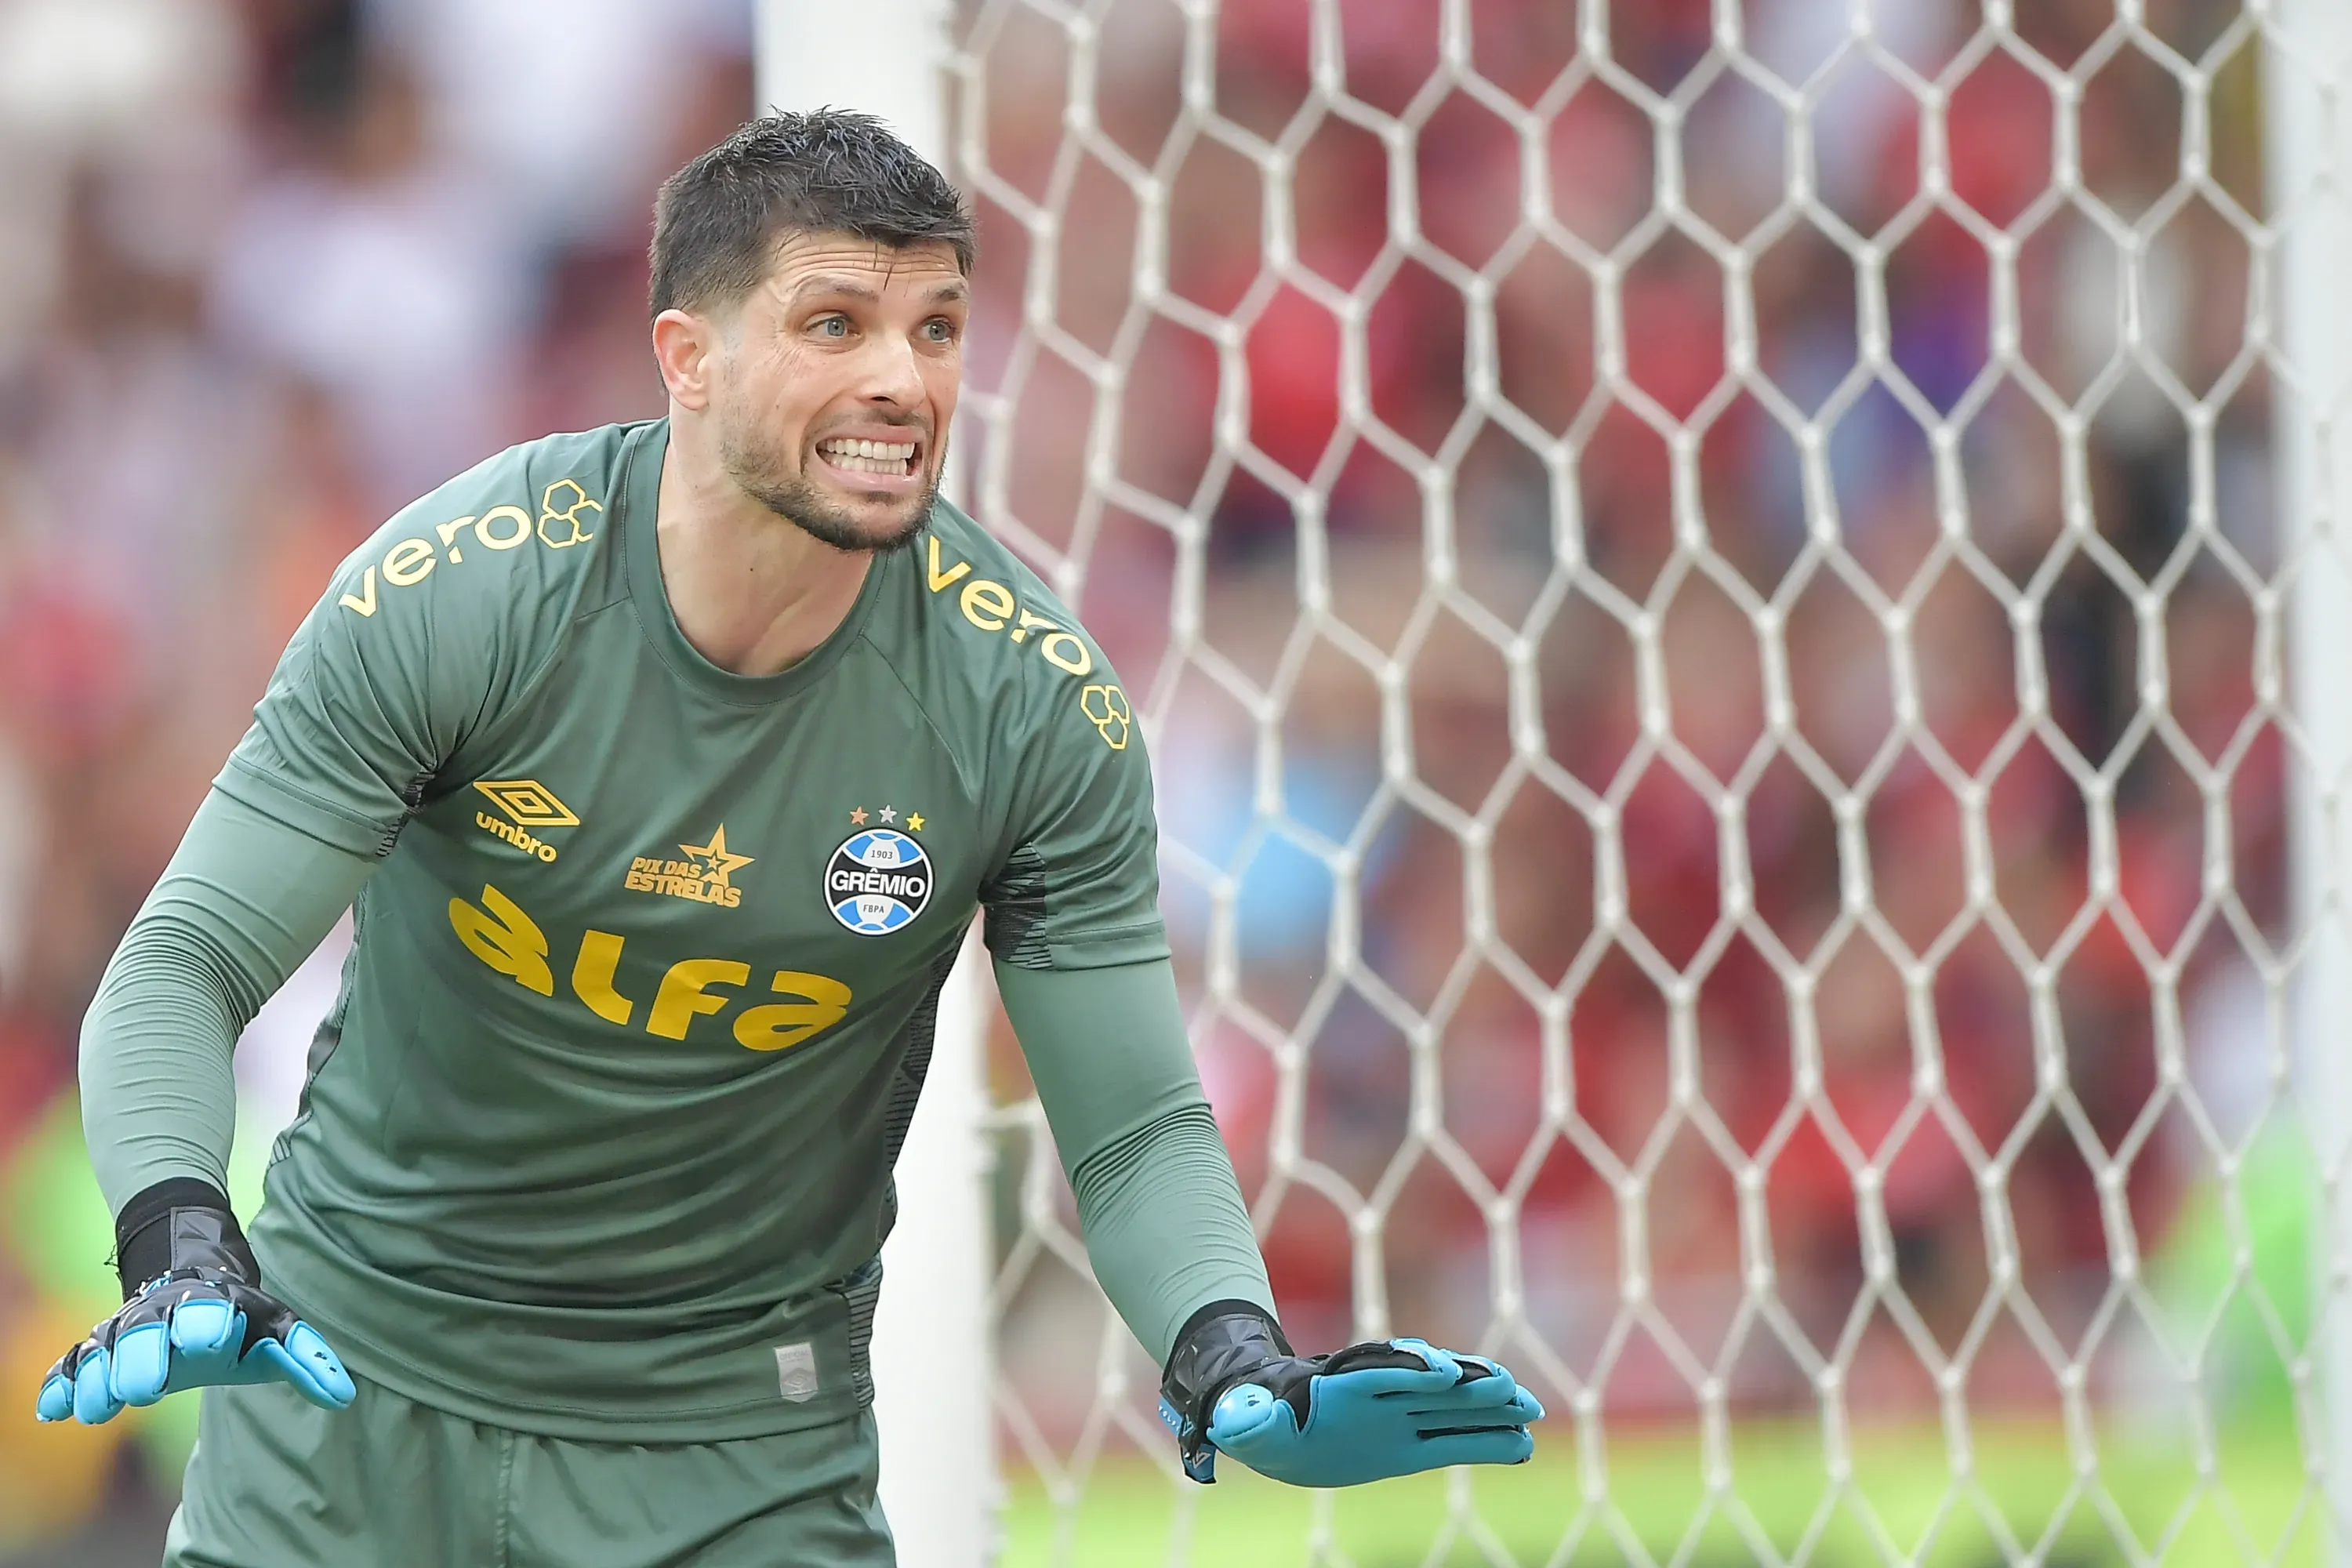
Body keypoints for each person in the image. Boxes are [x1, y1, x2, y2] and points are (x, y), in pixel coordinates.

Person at [36, 111, 1543, 1566]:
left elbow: (1136, 1122)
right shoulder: (460, 593)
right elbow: (182, 961)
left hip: (735, 1458)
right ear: (688, 360)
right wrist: (178, 1236)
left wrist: (1228, 1350)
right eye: (837, 326)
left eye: (938, 330)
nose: (905, 379)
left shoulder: (1030, 704)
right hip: (349, 1408)